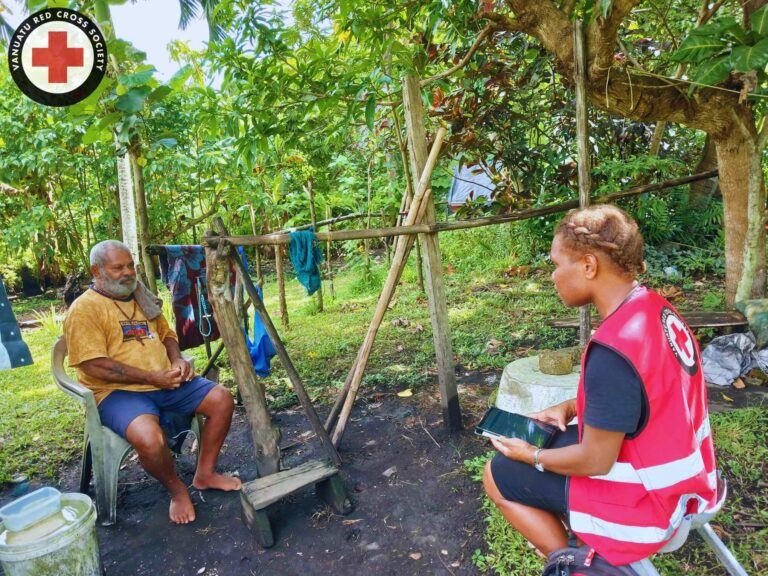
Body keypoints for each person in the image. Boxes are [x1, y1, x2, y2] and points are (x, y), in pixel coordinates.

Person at [483, 205, 718, 566]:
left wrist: (530, 456)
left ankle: (572, 563)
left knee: (496, 475)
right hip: (691, 480)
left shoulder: (612, 348)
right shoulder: (656, 309)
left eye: (556, 264)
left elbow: (595, 459)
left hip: (649, 504)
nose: (553, 276)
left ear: (589, 266)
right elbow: (646, 390)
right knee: (538, 449)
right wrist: (571, 406)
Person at [64, 240, 242, 524]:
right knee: (149, 438)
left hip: (164, 381)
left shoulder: (140, 295)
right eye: (118, 268)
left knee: (222, 399)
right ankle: (177, 491)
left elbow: (167, 334)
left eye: (130, 266)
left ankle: (205, 473)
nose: (128, 273)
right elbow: (93, 365)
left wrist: (177, 361)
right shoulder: (85, 309)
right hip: (117, 392)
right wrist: (151, 377)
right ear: (96, 270)